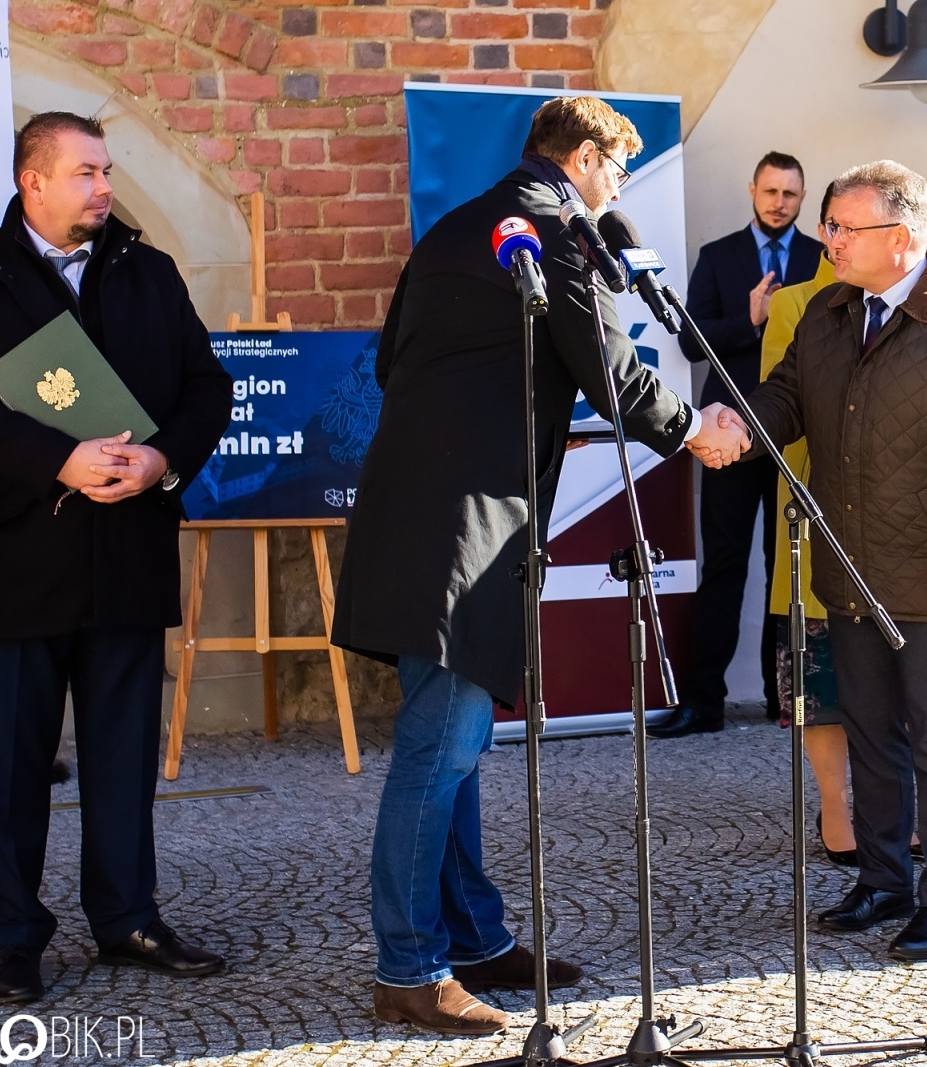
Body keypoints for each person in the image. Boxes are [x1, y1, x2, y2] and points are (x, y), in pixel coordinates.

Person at [330, 97, 748, 1035]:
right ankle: (409, 967)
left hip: (418, 516)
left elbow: (393, 362)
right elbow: (609, 367)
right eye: (618, 171)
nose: (618, 192)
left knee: (456, 745)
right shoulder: (557, 232)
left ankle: (475, 937)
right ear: (586, 157)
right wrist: (695, 429)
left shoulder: (456, 227)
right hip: (466, 530)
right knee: (439, 749)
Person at [0, 112, 233, 1004]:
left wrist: (162, 460)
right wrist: (58, 458)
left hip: (128, 552)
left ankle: (128, 918)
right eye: (87, 172)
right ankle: (13, 938)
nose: (105, 188)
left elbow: (207, 387)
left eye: (108, 170)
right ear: (34, 181)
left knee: (124, 759)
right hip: (16, 560)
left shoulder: (148, 271)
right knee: (14, 768)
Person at [747, 160, 927, 962]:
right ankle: (881, 880)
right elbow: (786, 397)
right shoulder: (828, 312)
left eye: (845, 227)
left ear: (901, 237)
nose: (829, 240)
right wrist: (731, 426)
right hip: (848, 568)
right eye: (829, 225)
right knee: (869, 733)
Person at [653, 152, 825, 738]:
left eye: (790, 194)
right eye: (771, 191)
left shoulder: (821, 258)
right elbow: (689, 339)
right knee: (724, 566)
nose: (779, 202)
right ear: (753, 190)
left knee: (789, 567)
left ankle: (788, 699)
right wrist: (749, 321)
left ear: (803, 197)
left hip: (795, 433)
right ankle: (704, 703)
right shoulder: (719, 256)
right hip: (727, 432)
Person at [758, 184, 849, 861]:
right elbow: (778, 411)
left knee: (897, 683)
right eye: (837, 225)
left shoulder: (918, 302)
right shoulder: (794, 304)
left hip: (898, 519)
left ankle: (894, 803)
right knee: (821, 680)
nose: (846, 238)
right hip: (819, 508)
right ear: (823, 230)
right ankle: (837, 808)